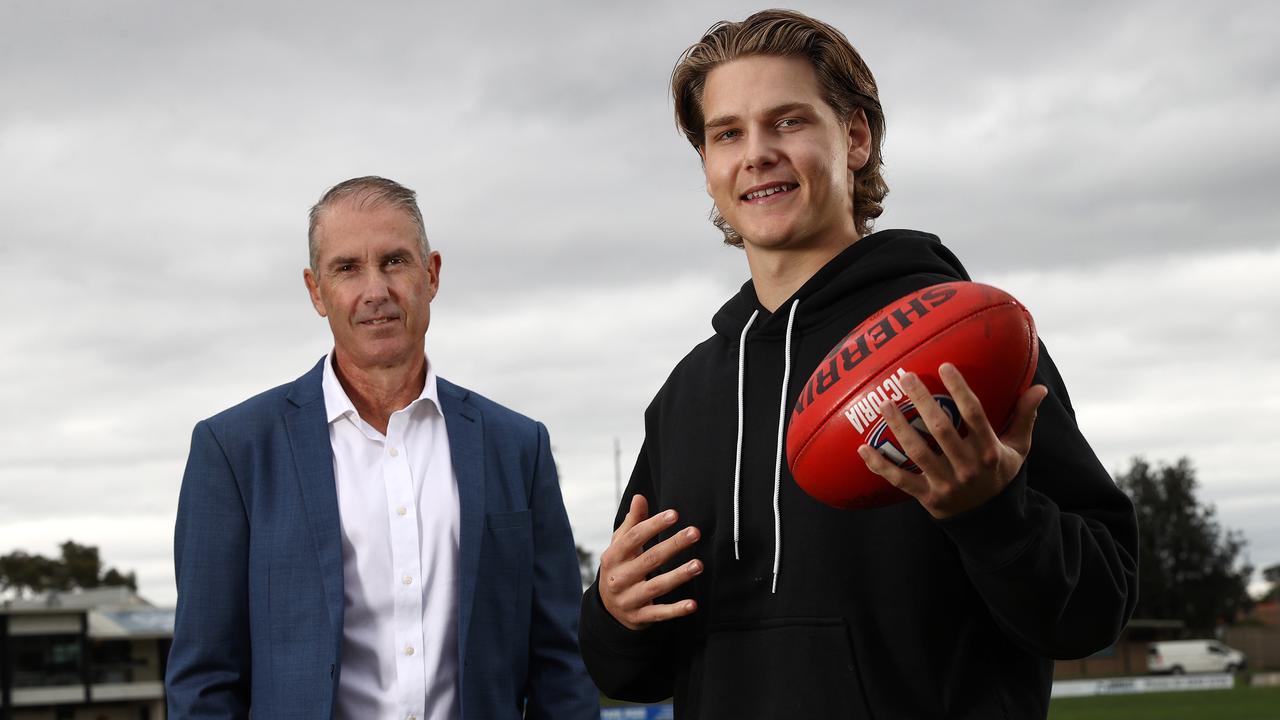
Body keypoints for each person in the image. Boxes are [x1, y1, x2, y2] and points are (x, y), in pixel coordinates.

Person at [579, 10, 1138, 718]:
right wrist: (613, 610)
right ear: (709, 166)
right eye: (728, 133)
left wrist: (995, 516)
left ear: (855, 136)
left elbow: (1095, 611)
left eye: (788, 122)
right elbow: (630, 674)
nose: (756, 154)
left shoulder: (964, 341)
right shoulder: (689, 393)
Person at [167, 176, 598, 719]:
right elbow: (204, 682)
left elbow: (561, 665)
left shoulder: (517, 447)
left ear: (431, 274)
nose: (376, 291)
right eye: (347, 268)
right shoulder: (233, 451)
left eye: (395, 261)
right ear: (316, 291)